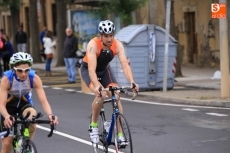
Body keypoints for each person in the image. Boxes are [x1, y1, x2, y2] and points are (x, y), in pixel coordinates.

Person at [80, 20, 139, 144]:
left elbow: (125, 65)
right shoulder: (93, 44)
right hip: (89, 70)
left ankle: (120, 134)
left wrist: (132, 81)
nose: (109, 39)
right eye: (106, 36)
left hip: (104, 70)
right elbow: (91, 70)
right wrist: (97, 86)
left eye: (111, 35)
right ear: (100, 36)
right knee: (101, 95)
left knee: (116, 95)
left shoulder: (117, 45)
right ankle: (94, 125)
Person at [0, 52, 59, 153]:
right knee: (7, 144)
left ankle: (26, 144)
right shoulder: (6, 79)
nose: (23, 74)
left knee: (32, 117)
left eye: (27, 70)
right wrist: (6, 116)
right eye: (20, 71)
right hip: (8, 105)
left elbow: (44, 101)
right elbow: (1, 104)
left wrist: (50, 115)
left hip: (24, 103)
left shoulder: (34, 78)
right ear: (13, 68)